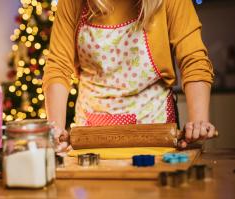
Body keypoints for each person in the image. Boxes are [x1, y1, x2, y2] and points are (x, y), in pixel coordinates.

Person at [43, 0, 217, 151]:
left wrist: (198, 122)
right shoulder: (73, 3)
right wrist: (56, 129)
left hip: (156, 134)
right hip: (90, 138)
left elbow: (193, 59)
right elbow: (58, 65)